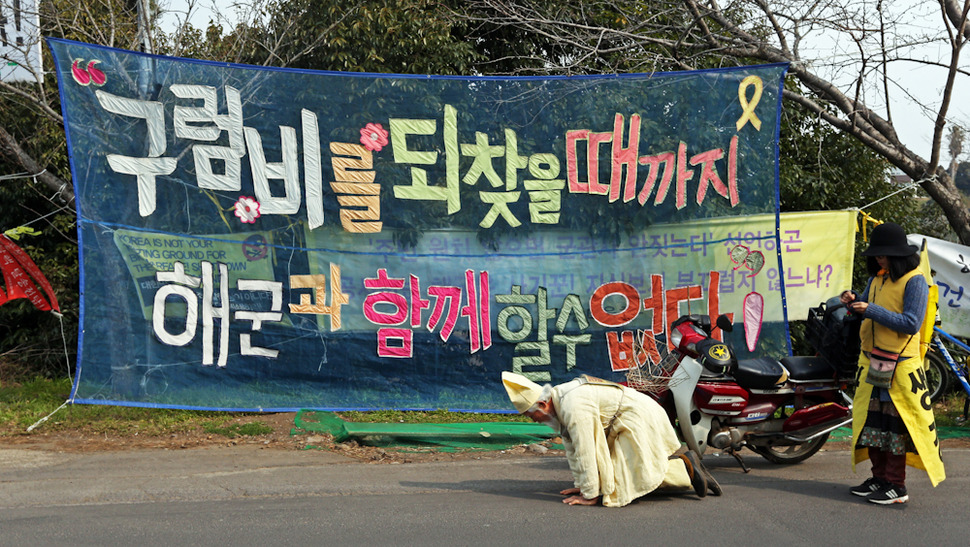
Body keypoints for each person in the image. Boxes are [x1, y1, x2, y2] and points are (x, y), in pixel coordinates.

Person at [501, 371, 721, 507]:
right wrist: (583, 485)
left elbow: (586, 449)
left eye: (532, 416)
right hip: (628, 418)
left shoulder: (572, 405)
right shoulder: (559, 400)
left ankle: (685, 467)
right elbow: (572, 447)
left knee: (617, 485)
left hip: (638, 417)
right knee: (617, 479)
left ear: (542, 404)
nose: (535, 421)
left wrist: (589, 494)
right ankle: (687, 467)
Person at [840, 222, 945, 505]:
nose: (878, 259)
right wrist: (854, 301)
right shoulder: (877, 278)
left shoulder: (915, 280)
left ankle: (897, 486)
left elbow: (911, 323)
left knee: (895, 427)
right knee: (872, 424)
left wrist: (870, 310)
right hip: (874, 362)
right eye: (876, 255)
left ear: (899, 255)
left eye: (883, 255)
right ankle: (879, 478)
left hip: (899, 367)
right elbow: (865, 306)